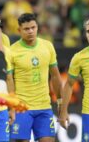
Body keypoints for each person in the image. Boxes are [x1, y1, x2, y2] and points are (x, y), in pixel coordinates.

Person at [9, 13, 62, 142]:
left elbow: (55, 75)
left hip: (44, 106)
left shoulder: (47, 46)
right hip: (22, 108)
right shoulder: (12, 51)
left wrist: (60, 99)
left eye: (33, 27)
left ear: (37, 27)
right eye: (26, 29)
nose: (31, 31)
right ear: (19, 30)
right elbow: (9, 81)